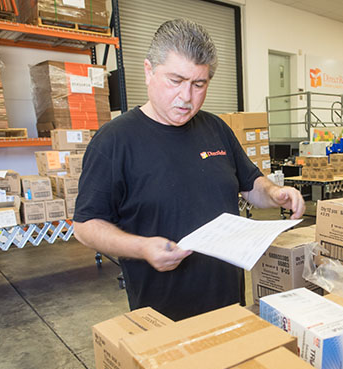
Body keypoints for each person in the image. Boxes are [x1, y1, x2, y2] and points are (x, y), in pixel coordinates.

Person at [73, 19, 305, 321]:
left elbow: (250, 185)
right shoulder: (115, 141)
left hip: (229, 305)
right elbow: (85, 226)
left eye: (199, 84)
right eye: (175, 80)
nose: (186, 97)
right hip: (162, 315)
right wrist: (142, 247)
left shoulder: (215, 129)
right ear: (148, 71)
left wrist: (275, 193)